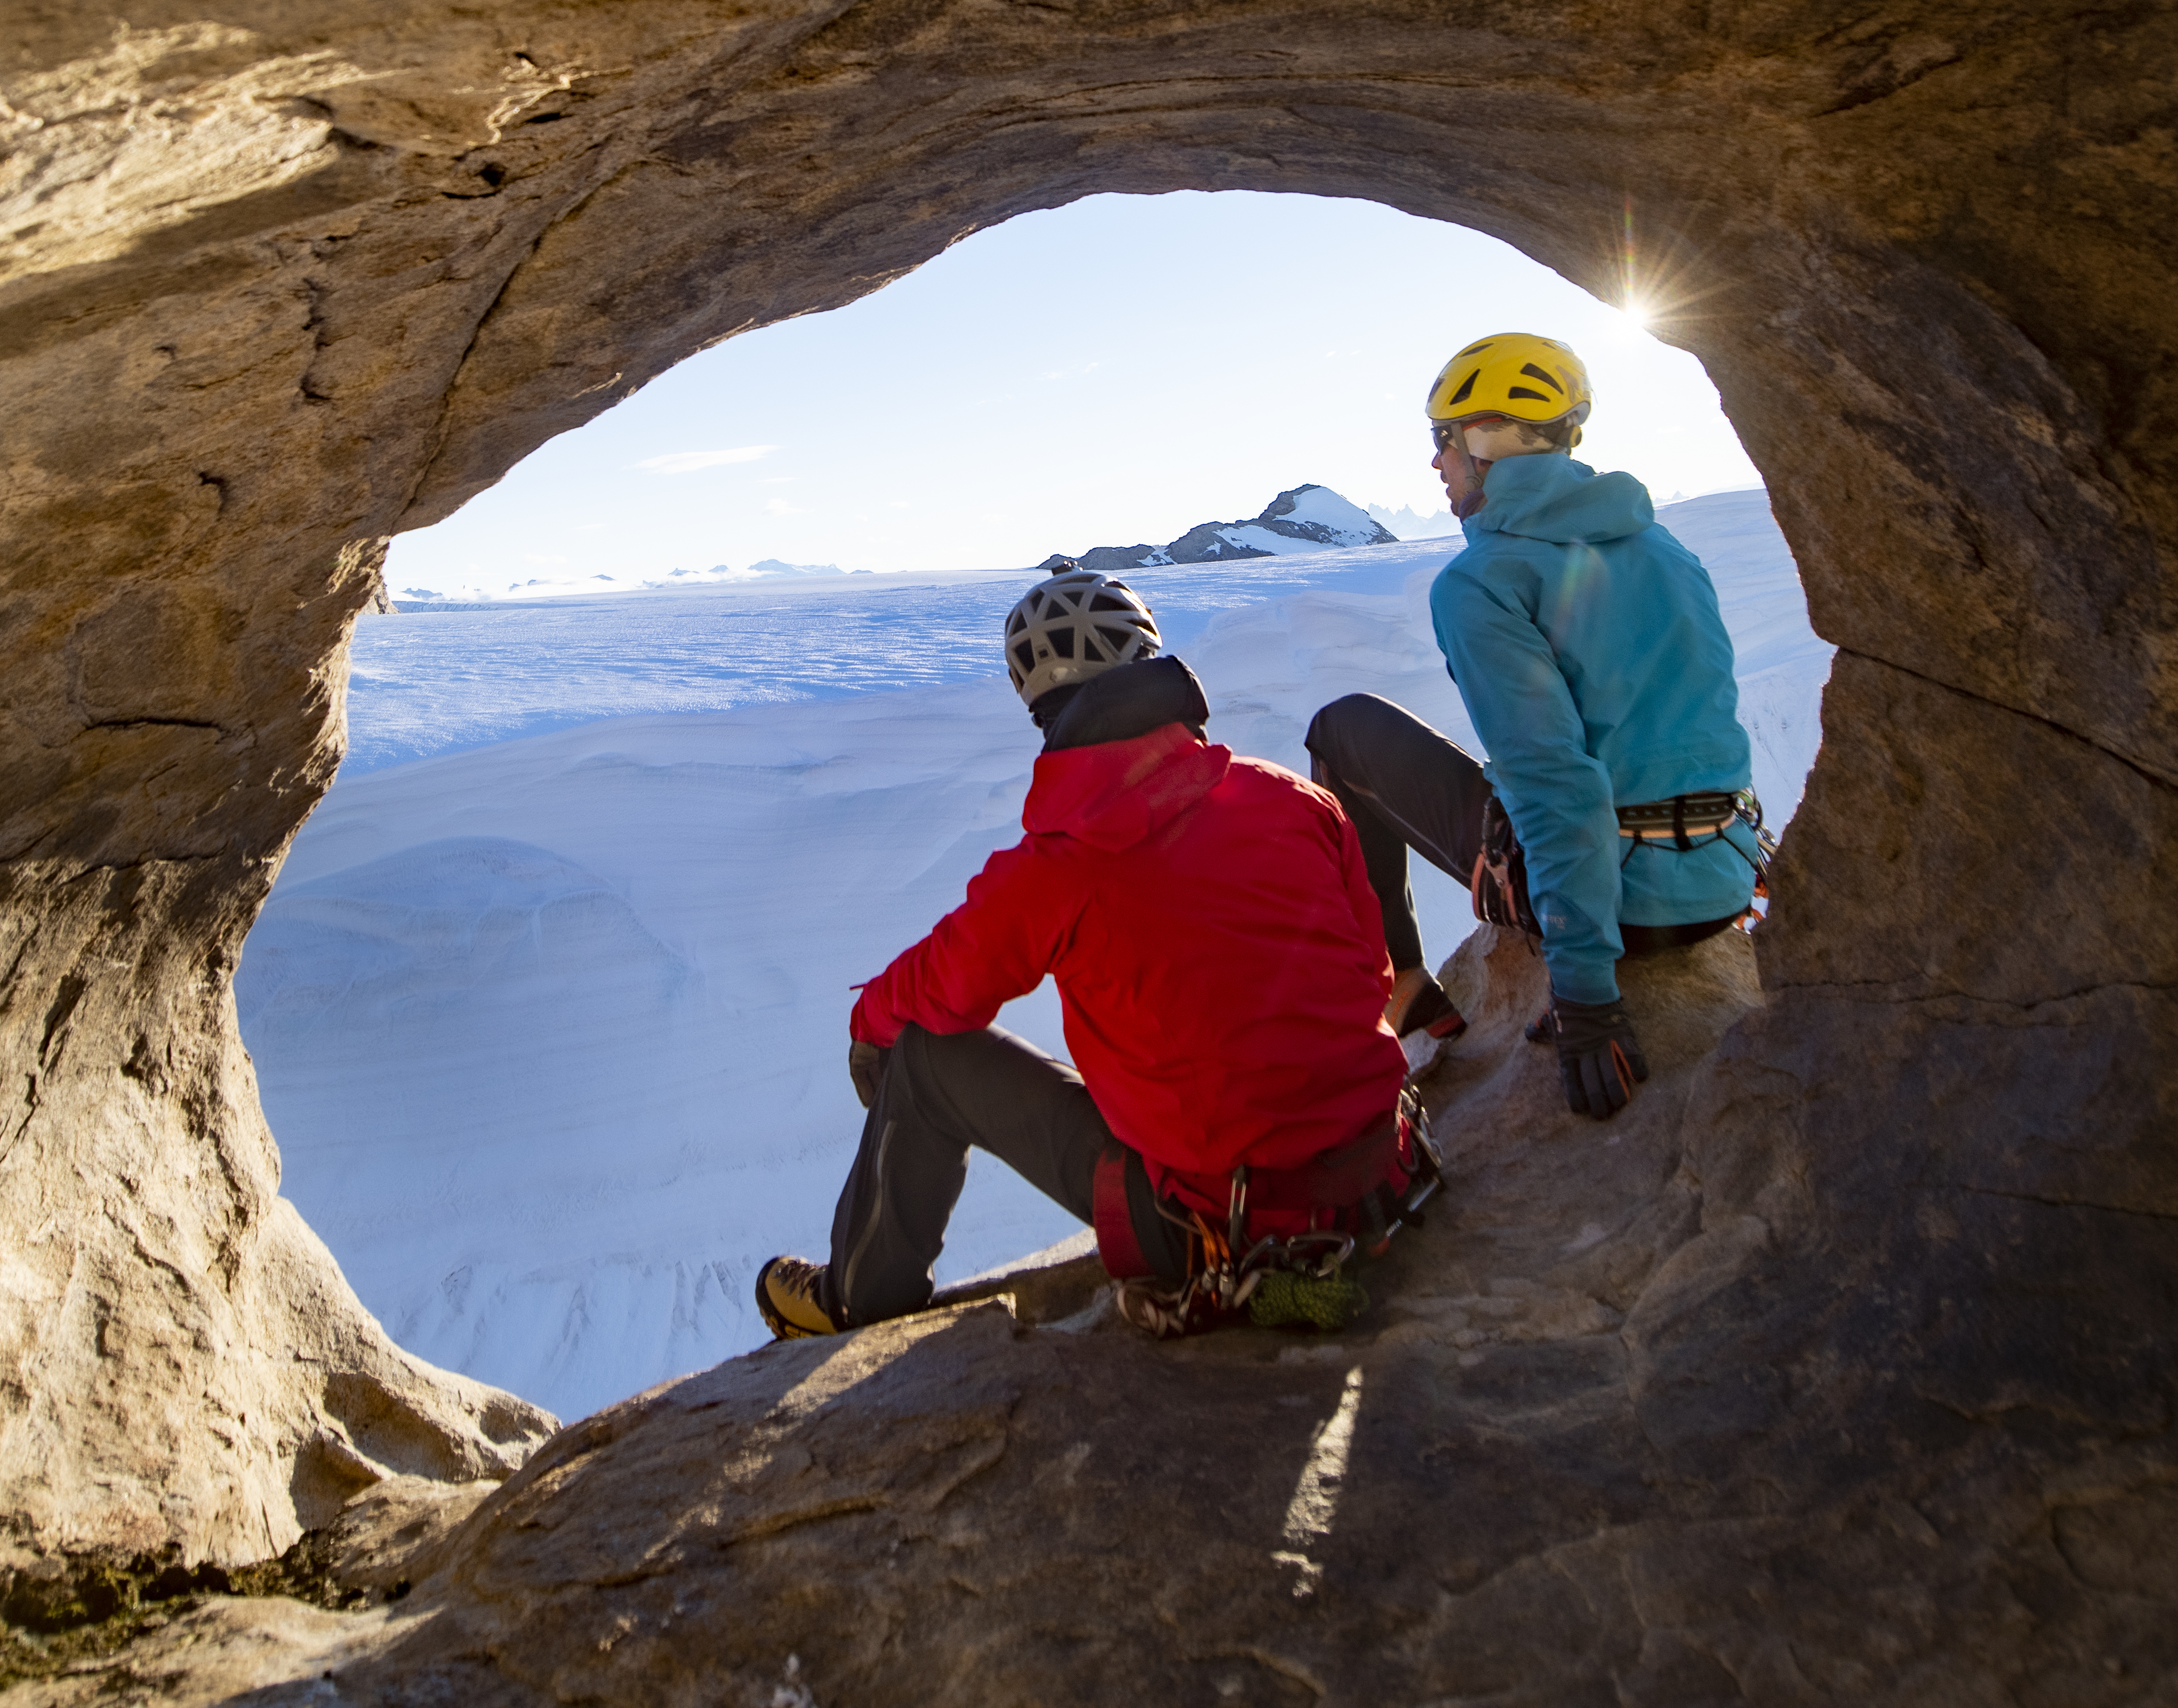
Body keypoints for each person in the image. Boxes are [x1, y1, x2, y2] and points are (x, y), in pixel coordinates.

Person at [756, 571, 1423, 1341]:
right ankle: (1298, 1274)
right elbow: (1370, 976)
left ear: (1041, 710)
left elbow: (945, 986)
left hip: (1209, 1228)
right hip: (1376, 1179)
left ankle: (855, 1301)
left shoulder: (1057, 867)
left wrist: (868, 1022)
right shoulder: (1296, 802)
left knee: (924, 1059)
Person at [1304, 331, 1765, 1121]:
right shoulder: (1666, 549)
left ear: (1484, 444)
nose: (1436, 464)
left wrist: (1586, 993)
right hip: (1717, 883)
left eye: (1443, 441)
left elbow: (1555, 779)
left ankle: (1406, 992)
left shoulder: (1481, 582)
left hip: (1626, 913)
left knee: (1341, 731)